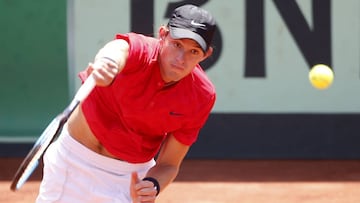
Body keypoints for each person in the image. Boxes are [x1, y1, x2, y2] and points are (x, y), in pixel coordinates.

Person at [36, 4, 217, 203]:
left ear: (206, 54)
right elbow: (118, 49)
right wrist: (107, 64)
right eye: (177, 45)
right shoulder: (141, 50)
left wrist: (153, 184)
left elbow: (169, 164)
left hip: (129, 179)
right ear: (163, 35)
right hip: (73, 162)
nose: (181, 59)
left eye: (193, 52)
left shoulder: (202, 96)